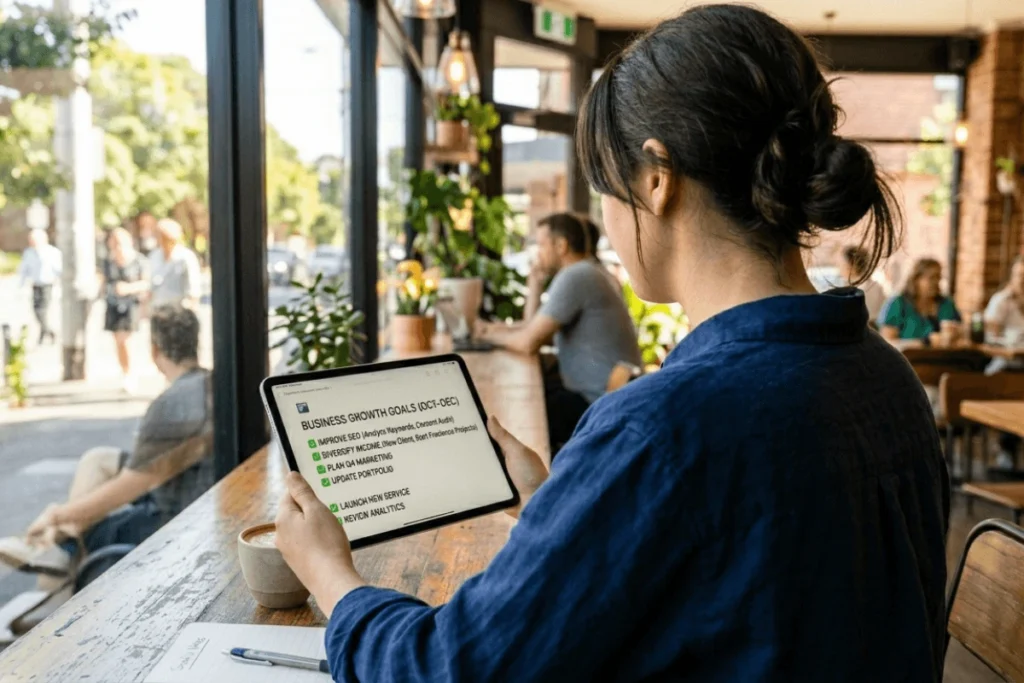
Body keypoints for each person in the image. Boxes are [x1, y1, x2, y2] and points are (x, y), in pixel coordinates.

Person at [274, 6, 948, 682]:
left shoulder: (662, 430)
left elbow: (451, 669)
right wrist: (558, 505)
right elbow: (746, 586)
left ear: (656, 179)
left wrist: (332, 576)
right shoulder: (891, 380)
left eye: (603, 186)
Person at [0, 305, 213, 579]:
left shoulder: (172, 404)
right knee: (97, 459)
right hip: (193, 488)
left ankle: (57, 557)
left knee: (89, 532)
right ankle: (56, 548)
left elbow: (131, 487)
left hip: (177, 515)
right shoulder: (211, 382)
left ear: (154, 350)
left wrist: (58, 514)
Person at [477, 212, 642, 454]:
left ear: (561, 245)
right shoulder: (589, 271)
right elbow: (530, 327)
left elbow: (527, 342)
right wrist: (534, 283)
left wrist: (483, 335)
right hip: (605, 397)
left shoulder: (577, 276)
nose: (537, 252)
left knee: (508, 418)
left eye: (541, 244)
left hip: (597, 404)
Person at [984, 254, 1024, 471]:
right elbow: (990, 337)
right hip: (1004, 367)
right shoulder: (1002, 301)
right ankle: (1005, 449)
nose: (1022, 280)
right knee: (1011, 388)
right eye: (1019, 275)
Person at [99, 228, 149, 393]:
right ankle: (125, 371)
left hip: (130, 304)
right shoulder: (108, 262)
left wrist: (129, 288)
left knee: (125, 339)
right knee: (118, 341)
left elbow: (147, 283)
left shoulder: (138, 261)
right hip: (113, 304)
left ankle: (130, 372)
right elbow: (103, 282)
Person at [878, 257, 961, 342]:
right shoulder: (897, 304)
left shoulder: (946, 304)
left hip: (944, 354)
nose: (936, 282)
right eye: (931, 277)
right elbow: (888, 342)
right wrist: (926, 342)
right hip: (905, 355)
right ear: (916, 279)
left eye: (938, 277)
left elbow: (960, 333)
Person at [17, 229, 62, 344]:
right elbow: (24, 270)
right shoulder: (29, 253)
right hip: (36, 285)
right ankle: (48, 331)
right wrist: (21, 285)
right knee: (36, 310)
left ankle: (44, 333)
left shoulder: (53, 252)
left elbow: (59, 270)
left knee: (43, 310)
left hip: (47, 285)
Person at [148, 218, 201, 308]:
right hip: (158, 309)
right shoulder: (154, 256)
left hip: (179, 310)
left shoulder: (186, 257)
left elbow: (194, 290)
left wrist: (191, 306)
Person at [840, 245, 887, 322]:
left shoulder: (848, 292)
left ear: (852, 266)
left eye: (842, 264)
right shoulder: (877, 287)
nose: (840, 268)